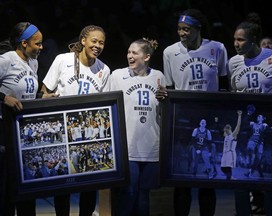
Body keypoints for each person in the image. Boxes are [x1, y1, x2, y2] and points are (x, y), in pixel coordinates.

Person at [156, 8, 228, 216]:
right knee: (183, 177)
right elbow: (169, 87)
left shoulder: (217, 48)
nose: (182, 33)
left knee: (208, 179)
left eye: (186, 29)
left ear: (198, 29)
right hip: (184, 116)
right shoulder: (170, 52)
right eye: (179, 29)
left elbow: (223, 83)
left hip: (209, 115)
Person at [41, 25, 110, 216]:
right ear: (83, 41)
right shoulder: (63, 60)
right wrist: (46, 97)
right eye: (94, 41)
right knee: (63, 185)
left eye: (101, 42)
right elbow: (45, 90)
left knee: (89, 185)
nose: (98, 45)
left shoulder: (104, 69)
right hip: (63, 132)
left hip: (88, 135)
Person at [228, 12, 272, 216]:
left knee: (269, 181)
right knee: (240, 180)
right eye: (234, 39)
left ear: (253, 39)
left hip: (268, 125)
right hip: (244, 127)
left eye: (240, 39)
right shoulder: (233, 62)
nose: (235, 43)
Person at [109, 38, 166, 216]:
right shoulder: (117, 75)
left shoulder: (158, 76)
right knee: (128, 194)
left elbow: (162, 111)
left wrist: (165, 99)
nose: (130, 56)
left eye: (135, 53)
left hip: (151, 147)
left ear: (147, 56)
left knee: (143, 196)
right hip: (127, 147)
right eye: (128, 52)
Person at [0, 22, 43, 216]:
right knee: (6, 188)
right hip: (3, 131)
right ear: (24, 43)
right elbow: (9, 95)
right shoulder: (6, 60)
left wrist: (43, 98)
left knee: (27, 187)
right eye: (38, 43)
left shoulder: (33, 62)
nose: (41, 47)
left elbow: (27, 93)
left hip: (25, 133)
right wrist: (4, 98)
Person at [221, 110, 242, 180]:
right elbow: (238, 126)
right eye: (227, 128)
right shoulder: (227, 136)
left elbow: (238, 127)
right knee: (224, 168)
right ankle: (229, 177)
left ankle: (229, 177)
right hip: (226, 153)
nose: (228, 129)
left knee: (226, 168)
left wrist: (239, 116)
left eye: (228, 128)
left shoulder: (231, 136)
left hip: (229, 153)